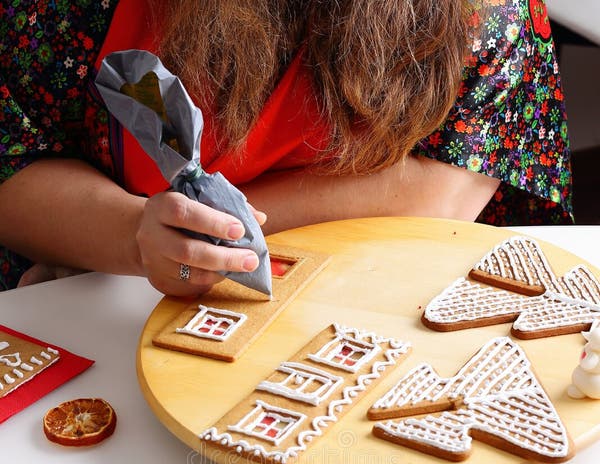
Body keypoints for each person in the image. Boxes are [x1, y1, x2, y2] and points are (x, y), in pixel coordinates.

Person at [0, 0, 572, 295]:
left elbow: (445, 192)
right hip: (99, 298)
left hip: (366, 305)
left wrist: (207, 236)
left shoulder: (487, 12)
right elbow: (14, 162)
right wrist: (130, 236)